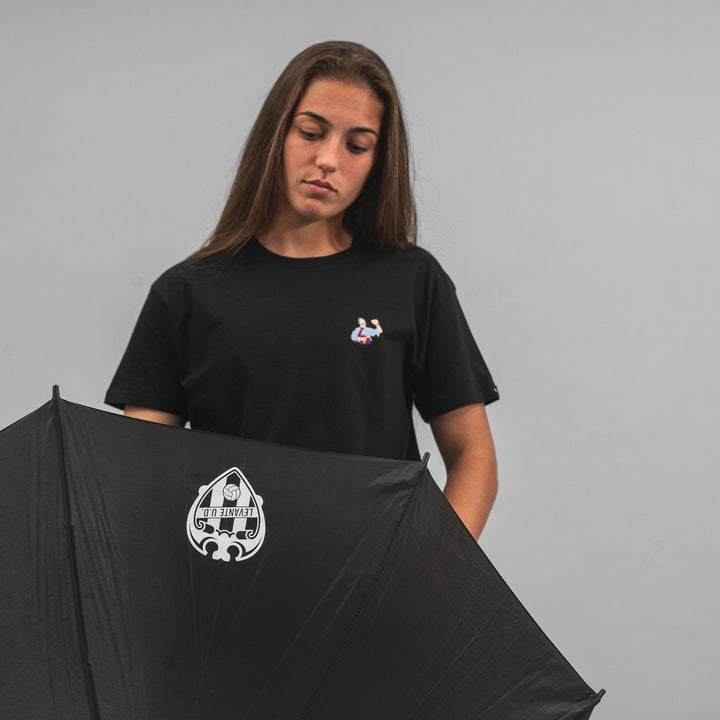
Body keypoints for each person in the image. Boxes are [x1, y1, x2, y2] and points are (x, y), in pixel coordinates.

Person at [105, 41, 499, 538]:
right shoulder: (184, 294)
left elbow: (473, 456)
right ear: (276, 134)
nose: (328, 159)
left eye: (357, 146)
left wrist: (430, 565)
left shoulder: (413, 282)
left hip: (374, 576)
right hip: (229, 567)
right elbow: (138, 476)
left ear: (378, 163)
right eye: (311, 133)